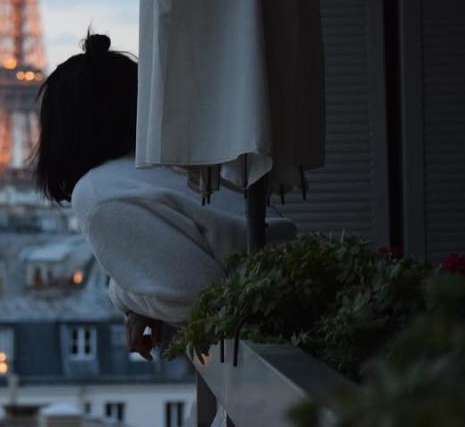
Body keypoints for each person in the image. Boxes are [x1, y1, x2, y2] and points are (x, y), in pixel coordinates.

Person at [33, 33, 296, 361]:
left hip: (283, 339)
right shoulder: (177, 166)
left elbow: (194, 297)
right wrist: (135, 297)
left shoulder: (100, 193)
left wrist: (129, 297)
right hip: (306, 304)